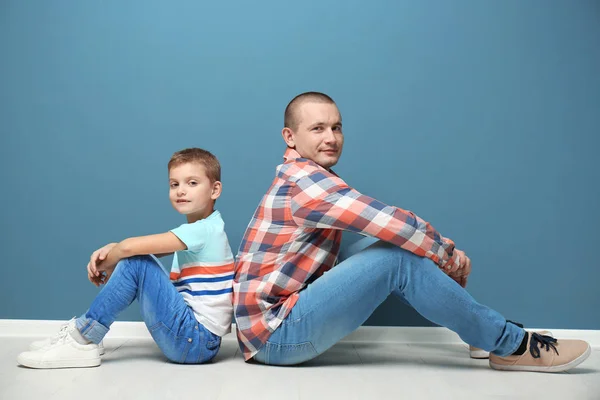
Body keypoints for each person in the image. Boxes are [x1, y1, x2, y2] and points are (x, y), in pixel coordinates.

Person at [233, 92, 591, 372]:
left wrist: (433, 252)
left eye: (337, 127)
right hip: (273, 337)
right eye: (318, 128)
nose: (331, 137)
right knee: (397, 255)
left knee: (390, 246)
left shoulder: (303, 176)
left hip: (269, 327)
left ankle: (483, 336)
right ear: (290, 136)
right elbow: (391, 222)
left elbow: (387, 229)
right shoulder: (306, 184)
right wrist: (445, 254)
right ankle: (509, 345)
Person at [18, 148, 234, 368]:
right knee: (135, 259)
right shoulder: (205, 229)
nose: (181, 191)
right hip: (196, 341)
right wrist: (115, 249)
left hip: (194, 340)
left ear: (215, 190)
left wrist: (109, 260)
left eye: (192, 183)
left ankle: (82, 337)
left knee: (136, 261)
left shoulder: (204, 231)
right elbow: (134, 249)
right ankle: (88, 335)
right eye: (174, 184)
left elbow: (131, 249)